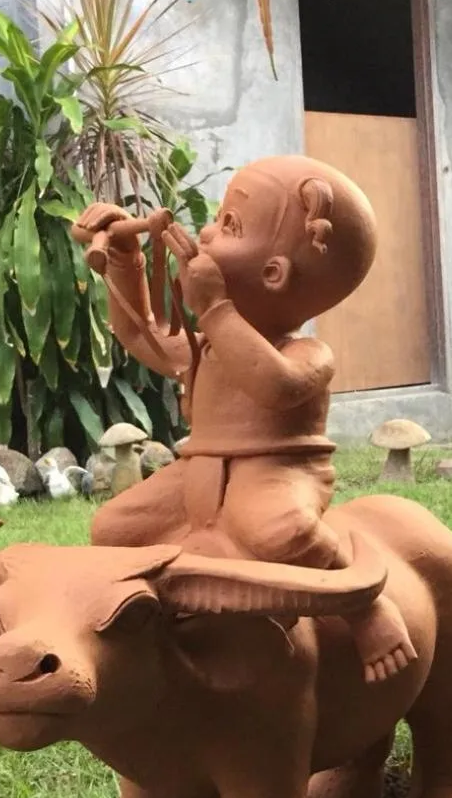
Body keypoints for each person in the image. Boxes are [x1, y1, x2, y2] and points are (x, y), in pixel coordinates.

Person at [71, 155, 416, 684]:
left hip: (276, 472)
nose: (205, 232)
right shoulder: (208, 346)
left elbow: (274, 386)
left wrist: (213, 309)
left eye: (229, 226)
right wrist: (124, 258)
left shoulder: (308, 352)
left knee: (281, 532)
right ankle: (165, 617)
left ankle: (364, 606)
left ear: (273, 273)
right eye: (217, 217)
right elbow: (141, 336)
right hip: (200, 472)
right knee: (113, 528)